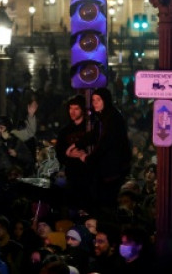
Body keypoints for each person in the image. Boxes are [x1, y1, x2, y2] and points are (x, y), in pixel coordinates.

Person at [86, 88, 132, 217]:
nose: (95, 103)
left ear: (105, 101)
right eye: (93, 100)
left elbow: (106, 142)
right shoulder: (103, 117)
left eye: (98, 100)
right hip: (108, 168)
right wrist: (77, 144)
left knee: (107, 203)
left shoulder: (112, 118)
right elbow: (95, 136)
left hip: (112, 170)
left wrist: (90, 158)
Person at [56, 95, 91, 216]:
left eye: (76, 108)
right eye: (71, 108)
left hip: (88, 177)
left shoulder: (90, 128)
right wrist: (70, 155)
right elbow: (60, 154)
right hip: (72, 176)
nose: (73, 112)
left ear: (82, 110)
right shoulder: (65, 131)